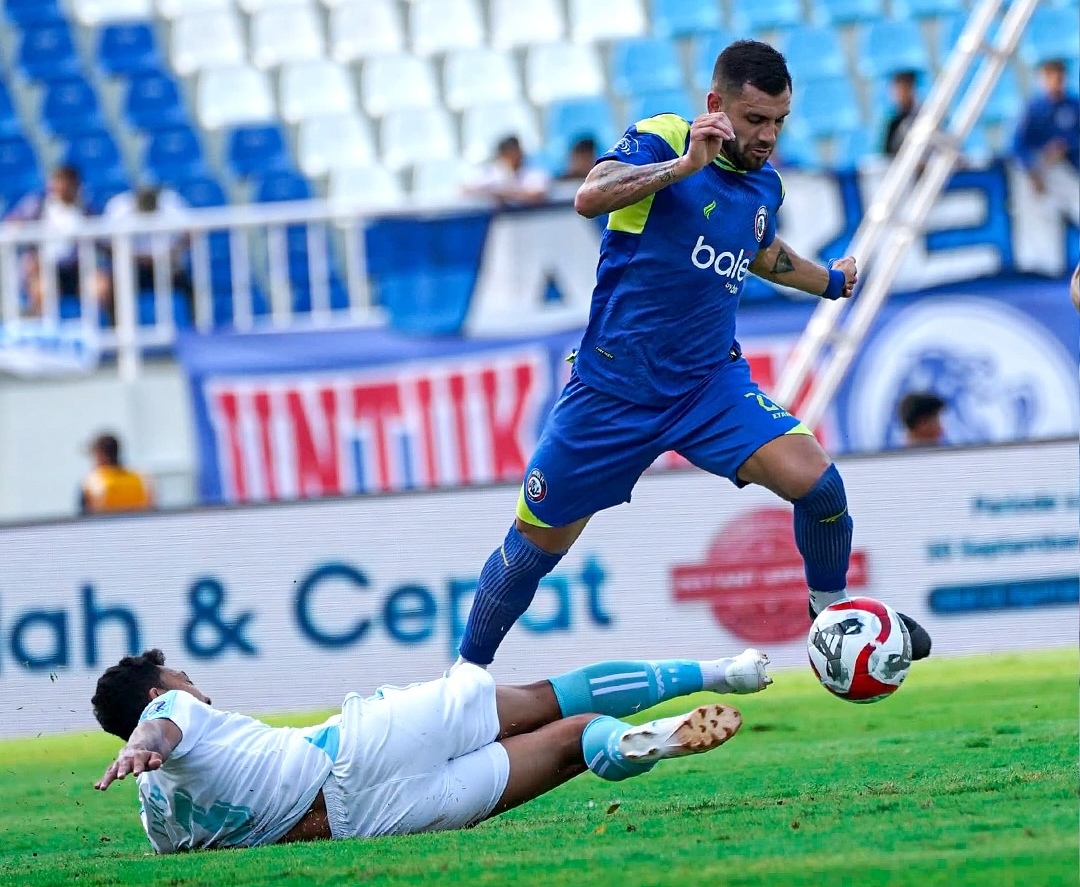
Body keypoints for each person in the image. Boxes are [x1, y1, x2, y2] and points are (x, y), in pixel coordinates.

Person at [454, 39, 933, 673]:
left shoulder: (765, 184)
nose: (768, 136)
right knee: (531, 550)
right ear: (717, 105)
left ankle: (831, 620)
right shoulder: (661, 137)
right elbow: (589, 197)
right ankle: (460, 685)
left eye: (779, 122)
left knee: (819, 483)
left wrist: (831, 280)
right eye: (756, 119)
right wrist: (683, 166)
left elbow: (762, 252)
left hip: (709, 386)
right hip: (611, 392)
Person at [92, 646, 772, 851]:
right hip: (358, 747)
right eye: (181, 676)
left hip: (372, 823)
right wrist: (147, 737)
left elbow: (170, 790)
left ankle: (621, 747)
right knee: (544, 701)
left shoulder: (158, 820)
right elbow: (159, 727)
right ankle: (722, 671)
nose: (193, 685)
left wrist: (141, 759)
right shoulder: (169, 712)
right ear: (160, 687)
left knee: (566, 748)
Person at [2, 165, 110, 316]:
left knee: (101, 286)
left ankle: (98, 331)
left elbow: (104, 240)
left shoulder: (88, 208)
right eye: (57, 182)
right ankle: (42, 332)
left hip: (79, 269)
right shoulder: (36, 205)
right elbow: (11, 224)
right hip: (45, 268)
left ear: (76, 185)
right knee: (41, 289)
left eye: (66, 182)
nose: (61, 187)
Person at [102, 185, 192, 310]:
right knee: (112, 289)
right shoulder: (119, 209)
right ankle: (116, 327)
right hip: (132, 267)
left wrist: (169, 254)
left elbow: (190, 233)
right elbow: (107, 244)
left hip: (166, 265)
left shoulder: (172, 204)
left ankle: (197, 327)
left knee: (191, 289)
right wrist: (137, 258)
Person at [1012, 58, 1080, 223]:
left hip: (1071, 170)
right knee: (1043, 224)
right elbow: (1017, 146)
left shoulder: (1074, 106)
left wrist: (1066, 146)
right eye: (1049, 77)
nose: (1054, 81)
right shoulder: (1033, 110)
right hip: (1042, 172)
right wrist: (1032, 168)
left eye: (1058, 77)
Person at [463, 135, 550, 206]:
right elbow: (466, 189)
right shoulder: (493, 173)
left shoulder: (534, 172)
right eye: (508, 153)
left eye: (515, 151)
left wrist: (503, 194)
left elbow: (537, 195)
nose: (513, 156)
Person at [80, 431, 154, 515]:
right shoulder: (140, 478)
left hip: (106, 526)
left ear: (101, 455)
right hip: (140, 526)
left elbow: (85, 516)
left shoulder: (93, 481)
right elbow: (152, 506)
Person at [882, 70, 920, 157]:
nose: (899, 93)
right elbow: (885, 153)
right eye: (896, 89)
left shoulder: (926, 116)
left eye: (904, 88)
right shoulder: (891, 120)